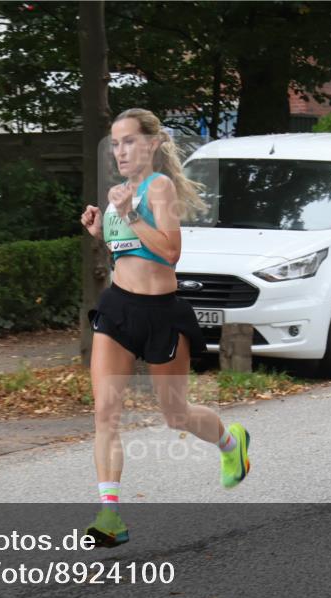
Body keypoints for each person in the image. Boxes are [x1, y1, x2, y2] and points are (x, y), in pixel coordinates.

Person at [78, 108, 251, 548]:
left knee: (175, 414)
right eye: (115, 143)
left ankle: (232, 442)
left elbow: (170, 252)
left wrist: (129, 216)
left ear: (152, 144)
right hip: (118, 308)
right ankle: (109, 515)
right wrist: (102, 229)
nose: (120, 151)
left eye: (129, 141)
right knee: (105, 412)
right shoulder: (122, 191)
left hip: (161, 313)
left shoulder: (160, 188)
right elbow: (129, 253)